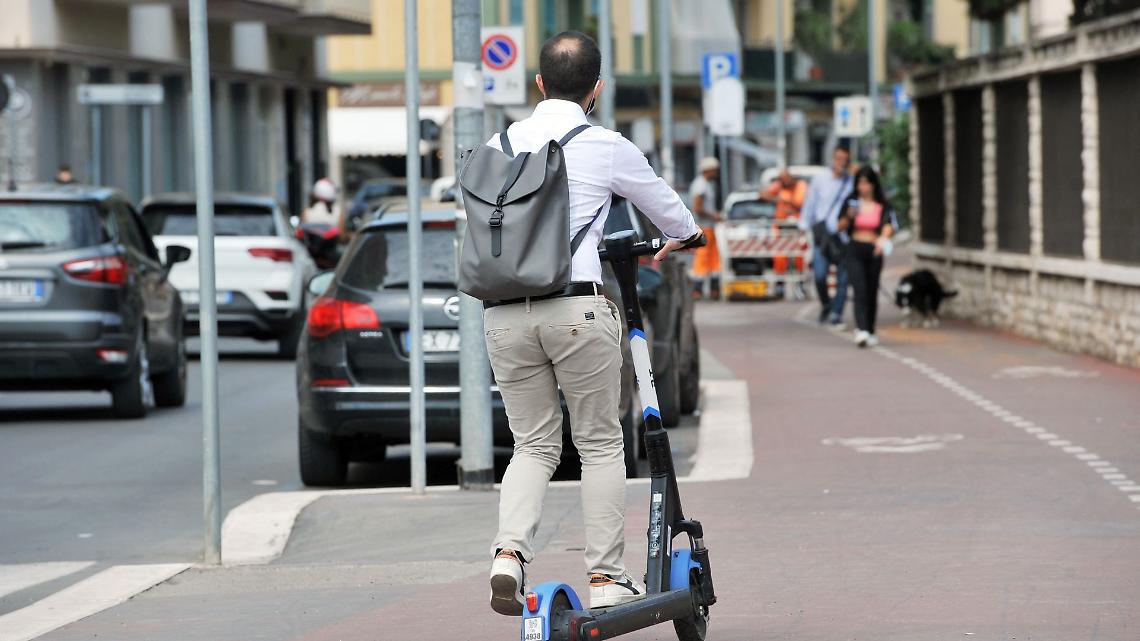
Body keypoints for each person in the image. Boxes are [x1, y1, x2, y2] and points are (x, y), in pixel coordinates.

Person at [484, 30, 701, 616]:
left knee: (531, 444)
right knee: (601, 443)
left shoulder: (497, 142)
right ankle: (606, 576)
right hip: (577, 308)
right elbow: (674, 215)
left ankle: (508, 555)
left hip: (503, 314)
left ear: (538, 83)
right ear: (596, 89)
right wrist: (685, 237)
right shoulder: (604, 144)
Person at [798, 146, 853, 327]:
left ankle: (836, 314)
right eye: (839, 159)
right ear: (833, 158)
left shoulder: (851, 183)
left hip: (843, 237)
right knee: (820, 276)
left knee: (843, 279)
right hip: (823, 237)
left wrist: (848, 219)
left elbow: (856, 206)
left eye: (845, 159)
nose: (841, 163)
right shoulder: (820, 179)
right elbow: (810, 203)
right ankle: (826, 305)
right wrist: (804, 226)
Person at [843, 166, 897, 347]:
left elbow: (890, 225)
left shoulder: (883, 205)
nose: (863, 187)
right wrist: (849, 217)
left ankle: (870, 328)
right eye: (860, 183)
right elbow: (839, 225)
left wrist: (883, 239)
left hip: (874, 249)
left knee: (872, 289)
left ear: (873, 184)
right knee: (860, 288)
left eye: (866, 183)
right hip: (855, 248)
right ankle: (862, 329)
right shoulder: (852, 202)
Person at [688, 157, 722, 298]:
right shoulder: (701, 185)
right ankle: (698, 289)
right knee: (702, 257)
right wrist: (714, 215)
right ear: (708, 170)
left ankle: (714, 289)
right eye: (714, 170)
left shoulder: (706, 184)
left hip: (709, 227)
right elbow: (698, 208)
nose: (716, 173)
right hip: (703, 227)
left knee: (714, 258)